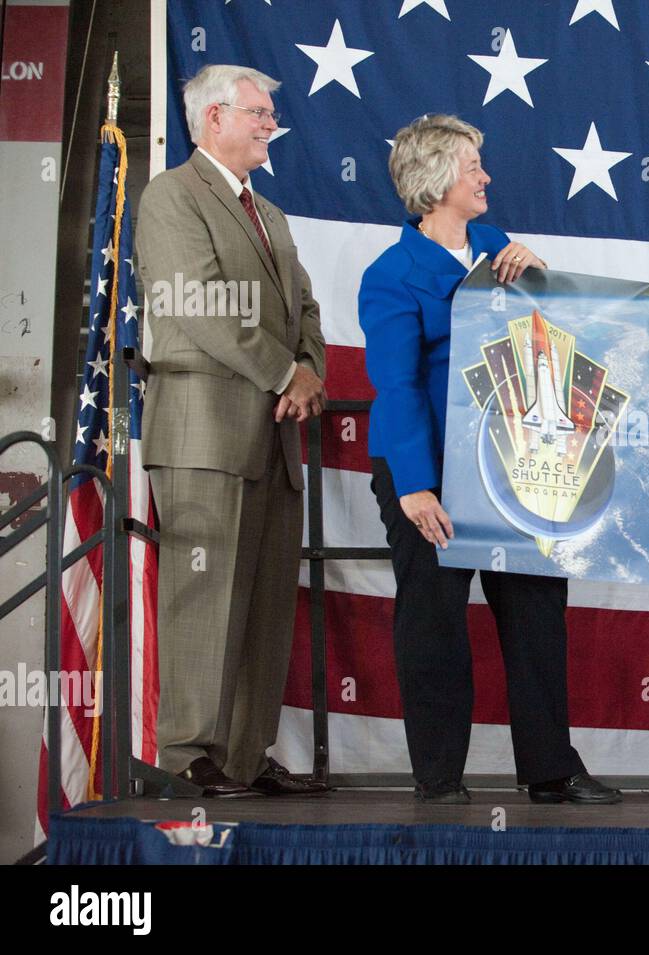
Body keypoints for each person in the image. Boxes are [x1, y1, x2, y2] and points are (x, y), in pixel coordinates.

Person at [359, 114, 621, 805]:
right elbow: (397, 386)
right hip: (429, 468)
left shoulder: (501, 247)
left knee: (536, 609)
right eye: (474, 166)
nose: (486, 177)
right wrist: (415, 486)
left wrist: (541, 278)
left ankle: (551, 769)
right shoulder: (390, 274)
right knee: (435, 620)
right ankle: (439, 775)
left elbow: (559, 343)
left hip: (514, 461)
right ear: (436, 179)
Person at [136, 65, 327, 796]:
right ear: (213, 117)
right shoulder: (171, 196)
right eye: (257, 111)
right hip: (204, 433)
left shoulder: (268, 212)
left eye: (269, 112)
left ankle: (245, 755)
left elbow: (303, 305)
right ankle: (188, 753)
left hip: (273, 436)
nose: (268, 122)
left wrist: (306, 369)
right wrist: (287, 375)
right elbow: (199, 306)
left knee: (265, 604)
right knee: (204, 598)